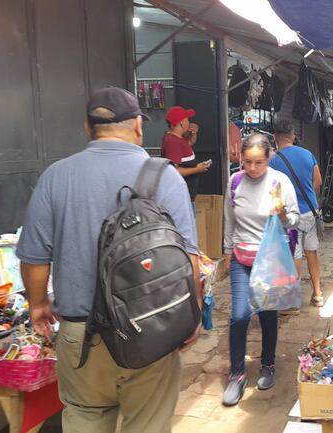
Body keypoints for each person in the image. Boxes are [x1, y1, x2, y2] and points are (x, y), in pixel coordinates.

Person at [17, 87, 200, 433]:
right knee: (147, 425)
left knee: (85, 417)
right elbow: (187, 259)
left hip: (80, 332)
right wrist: (193, 315)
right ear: (138, 126)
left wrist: (38, 302)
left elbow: (35, 258)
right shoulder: (165, 176)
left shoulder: (55, 176)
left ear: (88, 128)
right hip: (152, 330)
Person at [222, 133, 300, 406]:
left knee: (268, 315)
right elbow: (229, 220)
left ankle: (268, 365)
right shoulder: (234, 182)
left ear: (269, 158)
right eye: (247, 162)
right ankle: (237, 374)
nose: (252, 168)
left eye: (258, 162)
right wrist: (227, 251)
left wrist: (281, 214)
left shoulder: (280, 182)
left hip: (270, 262)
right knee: (239, 316)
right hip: (242, 261)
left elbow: (294, 220)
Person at [269, 120, 324, 308]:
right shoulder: (307, 154)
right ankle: (318, 294)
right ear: (293, 136)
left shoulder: (274, 160)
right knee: (312, 252)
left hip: (290, 215)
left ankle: (293, 300)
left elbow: (274, 191)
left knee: (295, 254)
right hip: (311, 211)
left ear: (275, 137)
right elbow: (318, 182)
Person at [161, 105, 210, 212]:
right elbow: (174, 171)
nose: (189, 122)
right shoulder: (172, 142)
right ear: (182, 123)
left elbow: (190, 142)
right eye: (187, 119)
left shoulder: (179, 138)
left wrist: (194, 133)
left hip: (187, 197)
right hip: (181, 200)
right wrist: (197, 170)